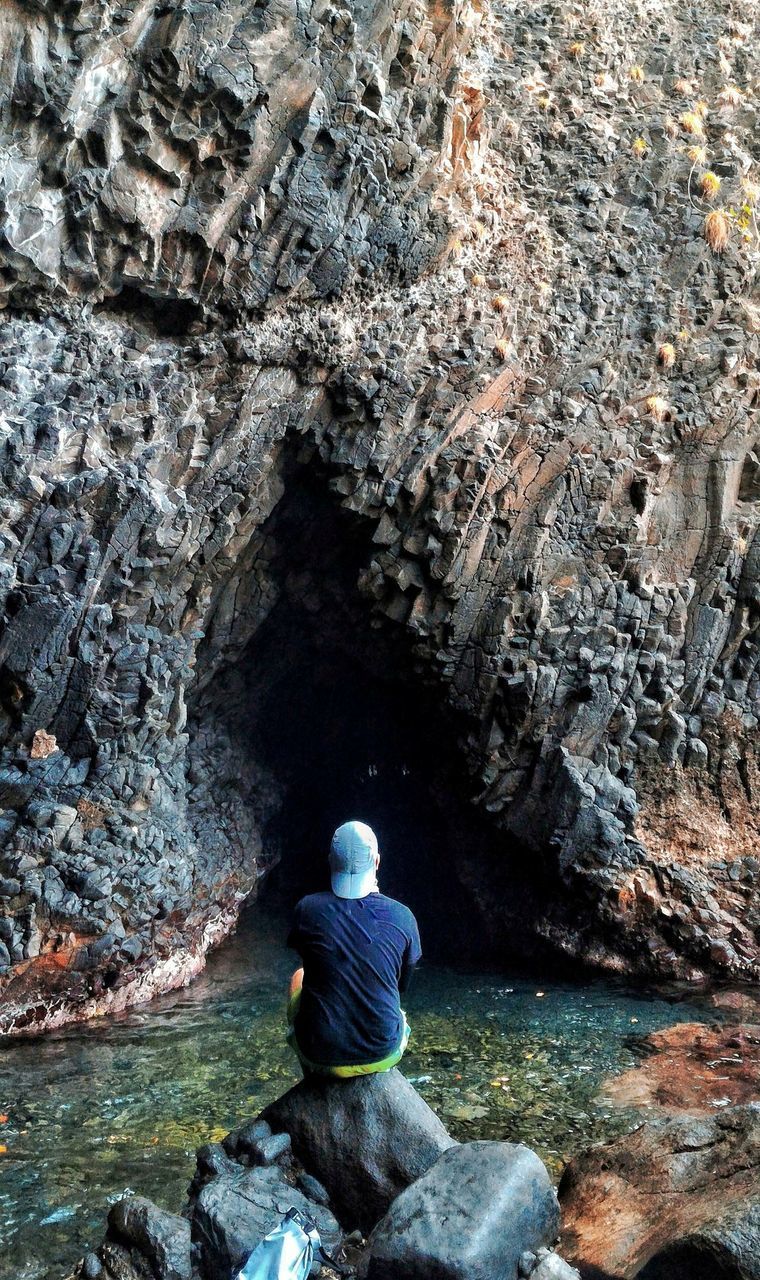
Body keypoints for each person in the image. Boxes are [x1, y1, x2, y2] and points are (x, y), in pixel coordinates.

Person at [286, 819, 421, 1077]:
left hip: (318, 1053)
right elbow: (402, 985)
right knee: (394, 1005)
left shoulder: (307, 909)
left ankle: (314, 1077)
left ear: (330, 861)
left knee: (300, 975)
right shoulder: (403, 916)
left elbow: (309, 958)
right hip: (383, 1052)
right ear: (377, 862)